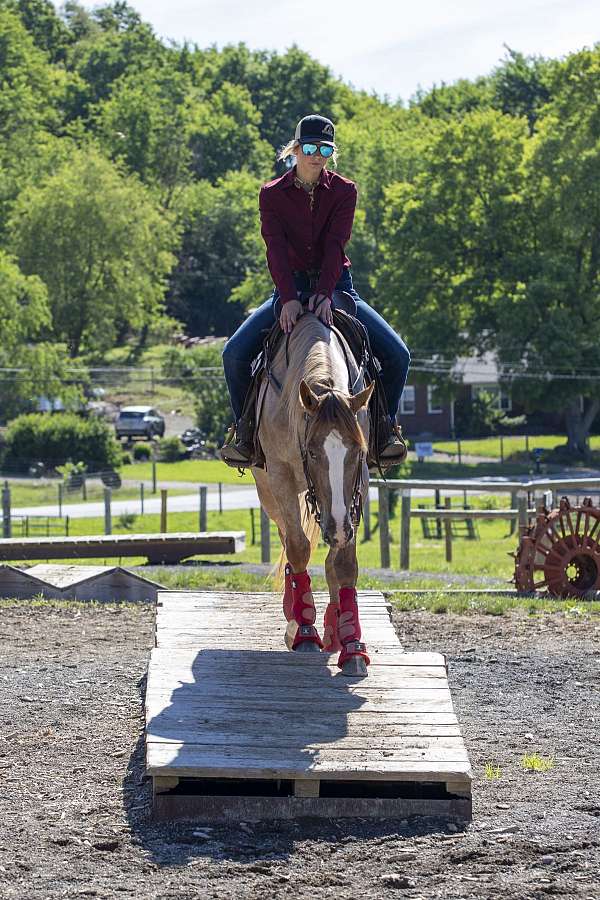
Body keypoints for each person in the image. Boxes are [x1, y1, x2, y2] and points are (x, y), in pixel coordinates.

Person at [220, 113, 410, 467]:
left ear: (331, 153)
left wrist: (325, 293)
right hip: (289, 286)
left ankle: (384, 431)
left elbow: (337, 244)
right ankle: (245, 433)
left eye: (324, 148)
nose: (316, 155)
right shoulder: (272, 194)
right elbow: (274, 248)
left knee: (399, 355)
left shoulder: (344, 191)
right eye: (309, 147)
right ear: (294, 149)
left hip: (336, 285)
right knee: (233, 354)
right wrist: (289, 298)